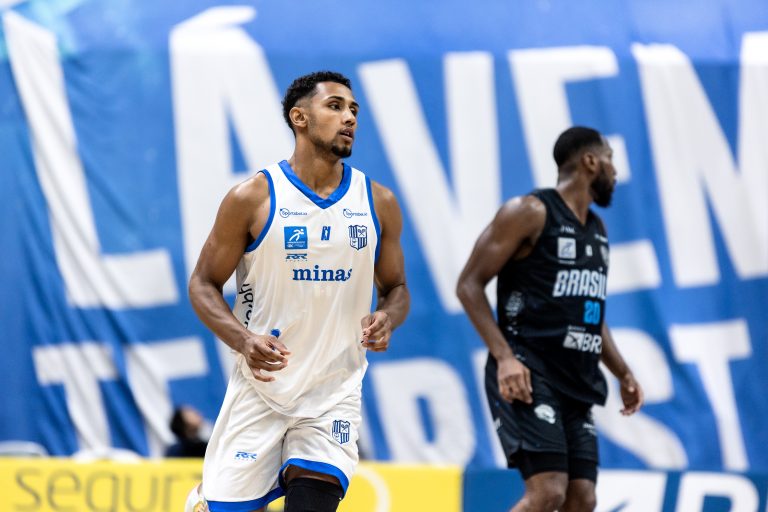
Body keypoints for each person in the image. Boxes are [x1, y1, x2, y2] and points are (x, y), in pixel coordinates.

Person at [187, 70, 409, 512]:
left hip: (333, 393)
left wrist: (388, 316)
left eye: (353, 109)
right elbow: (203, 283)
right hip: (262, 391)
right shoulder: (252, 197)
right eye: (335, 106)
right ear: (299, 118)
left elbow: (397, 288)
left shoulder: (378, 201)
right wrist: (243, 340)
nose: (350, 118)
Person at [456, 126, 643, 512]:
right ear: (590, 162)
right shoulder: (529, 211)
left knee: (582, 499)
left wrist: (623, 373)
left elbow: (591, 313)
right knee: (548, 493)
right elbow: (468, 285)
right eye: (609, 159)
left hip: (576, 379)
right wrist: (505, 358)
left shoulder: (597, 230)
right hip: (528, 369)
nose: (614, 170)